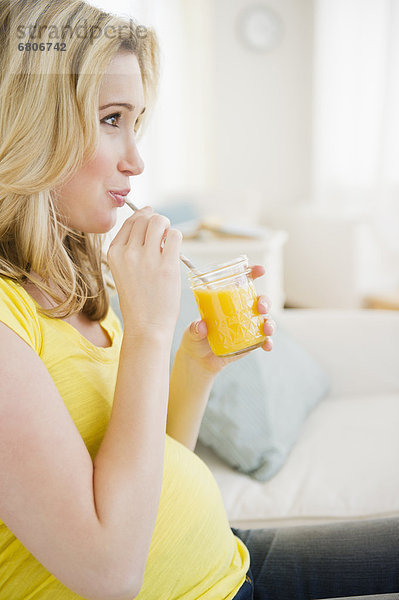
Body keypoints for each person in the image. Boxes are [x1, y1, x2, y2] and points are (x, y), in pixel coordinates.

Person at [0, 2, 397, 600]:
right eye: (111, 119)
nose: (136, 159)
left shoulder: (75, 282)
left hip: (231, 556)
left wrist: (194, 368)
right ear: (32, 125)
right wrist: (149, 333)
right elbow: (109, 573)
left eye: (137, 123)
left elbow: (146, 478)